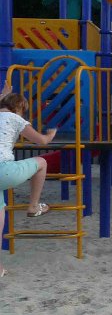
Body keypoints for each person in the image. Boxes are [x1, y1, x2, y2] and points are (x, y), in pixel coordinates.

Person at [0, 92, 57, 277]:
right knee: (42, 163)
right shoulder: (16, 119)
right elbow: (41, 141)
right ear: (19, 108)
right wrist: (51, 134)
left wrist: (4, 95)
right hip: (4, 170)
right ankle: (33, 205)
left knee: (0, 218)